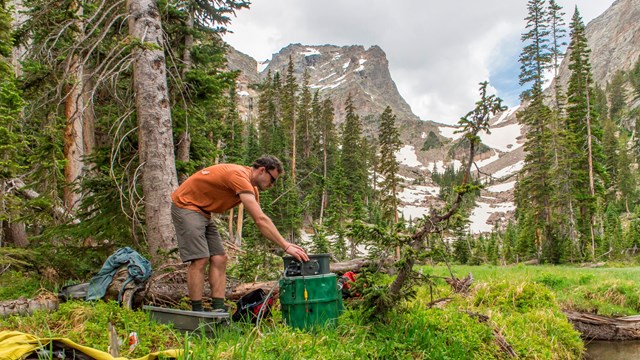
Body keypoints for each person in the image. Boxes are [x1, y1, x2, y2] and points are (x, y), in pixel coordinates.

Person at [171, 155, 309, 312]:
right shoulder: (239, 176)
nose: (272, 185)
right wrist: (285, 245)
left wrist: (283, 243)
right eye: (272, 180)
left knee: (220, 258)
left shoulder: (250, 187)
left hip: (204, 212)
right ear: (262, 170)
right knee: (200, 259)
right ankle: (196, 311)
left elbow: (261, 221)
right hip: (186, 205)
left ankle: (219, 309)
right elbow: (260, 219)